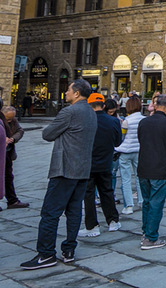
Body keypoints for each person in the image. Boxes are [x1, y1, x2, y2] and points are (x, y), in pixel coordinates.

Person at [21, 79, 97, 269]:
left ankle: (46, 254)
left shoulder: (69, 111)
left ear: (77, 93)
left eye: (69, 90)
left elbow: (47, 134)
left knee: (50, 212)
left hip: (64, 169)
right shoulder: (91, 112)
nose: (66, 93)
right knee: (74, 211)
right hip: (82, 169)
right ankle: (69, 250)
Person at [137, 94, 166, 250]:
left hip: (144, 167)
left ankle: (146, 232)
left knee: (147, 202)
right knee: (156, 203)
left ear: (155, 106)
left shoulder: (143, 122)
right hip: (160, 168)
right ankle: (150, 238)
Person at [79, 93, 122, 237]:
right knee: (107, 191)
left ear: (89, 106)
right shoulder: (114, 121)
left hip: (88, 163)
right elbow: (117, 142)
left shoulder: (84, 121)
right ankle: (113, 221)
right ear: (103, 106)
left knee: (89, 195)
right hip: (105, 162)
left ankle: (92, 226)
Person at [116, 94, 144, 214]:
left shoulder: (127, 121)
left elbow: (122, 137)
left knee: (126, 179)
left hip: (126, 151)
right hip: (139, 151)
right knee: (140, 177)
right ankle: (142, 201)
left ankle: (129, 205)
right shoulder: (144, 120)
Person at [2, 106, 29, 210]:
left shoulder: (13, 120)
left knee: (8, 176)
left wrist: (12, 139)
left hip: (8, 152)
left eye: (11, 118)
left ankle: (12, 200)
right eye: (8, 118)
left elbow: (20, 131)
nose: (10, 120)